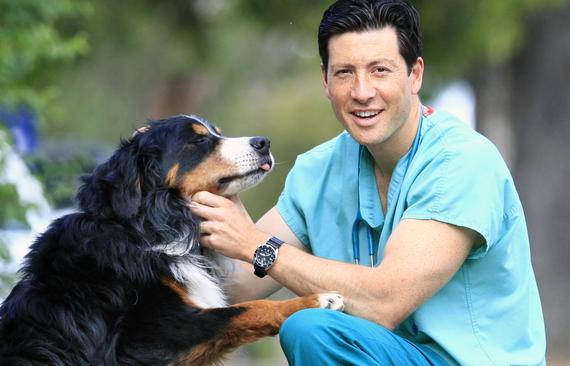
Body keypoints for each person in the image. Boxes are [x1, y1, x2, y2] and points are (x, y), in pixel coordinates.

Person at [189, 0, 546, 364]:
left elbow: (385, 302)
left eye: (379, 70)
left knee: (311, 328)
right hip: (386, 355)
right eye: (345, 72)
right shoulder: (318, 171)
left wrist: (253, 242)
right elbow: (231, 287)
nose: (362, 91)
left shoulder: (462, 162)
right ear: (326, 81)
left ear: (415, 75)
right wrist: (159, 177)